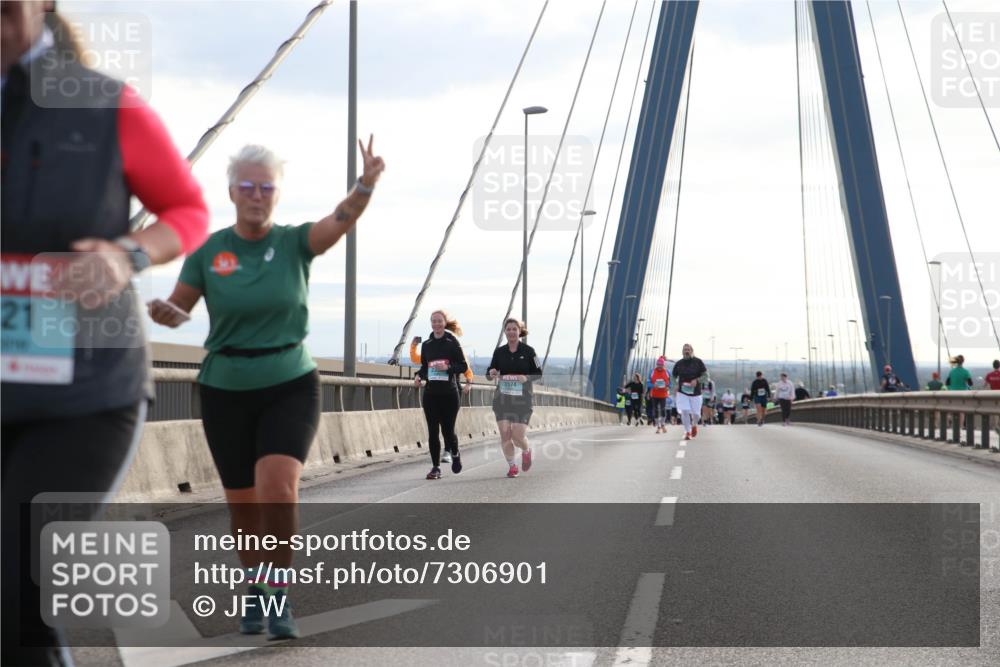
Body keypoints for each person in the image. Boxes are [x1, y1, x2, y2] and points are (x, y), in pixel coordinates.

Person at [2, 5, 210, 664]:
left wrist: (127, 253)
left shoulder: (103, 104)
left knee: (15, 592)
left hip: (83, 393)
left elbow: (187, 210)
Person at [151, 140, 384, 639]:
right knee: (243, 505)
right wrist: (165, 313)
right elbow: (178, 306)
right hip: (225, 388)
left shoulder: (296, 242)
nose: (257, 195)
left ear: (277, 194)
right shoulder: (209, 252)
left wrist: (365, 185)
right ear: (232, 192)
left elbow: (340, 220)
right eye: (248, 186)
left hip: (289, 382)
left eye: (266, 187)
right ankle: (256, 587)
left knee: (277, 487)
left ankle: (278, 591)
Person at [414, 310, 469, 479]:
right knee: (432, 431)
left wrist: (448, 368)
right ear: (431, 323)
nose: (436, 324)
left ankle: (455, 453)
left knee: (448, 431)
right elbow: (425, 367)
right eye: (434, 321)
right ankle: (436, 468)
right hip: (431, 394)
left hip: (449, 394)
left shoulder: (452, 342)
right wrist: (418, 376)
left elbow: (463, 366)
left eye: (439, 321)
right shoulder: (427, 344)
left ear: (445, 323)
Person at [486, 318, 542, 478]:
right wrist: (491, 373)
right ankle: (512, 466)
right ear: (505, 332)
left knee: (517, 436)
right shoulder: (499, 352)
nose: (511, 332)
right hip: (502, 399)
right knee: (505, 435)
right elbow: (489, 372)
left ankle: (526, 450)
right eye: (508, 329)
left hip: (522, 400)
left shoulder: (529, 351)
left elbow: (539, 373)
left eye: (514, 329)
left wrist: (526, 378)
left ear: (520, 331)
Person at [411, 333, 473, 463]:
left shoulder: (453, 348)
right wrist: (414, 346)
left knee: (447, 427)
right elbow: (420, 361)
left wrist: (468, 383)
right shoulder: (429, 347)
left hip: (451, 390)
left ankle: (449, 451)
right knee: (433, 429)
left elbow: (466, 369)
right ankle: (437, 465)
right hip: (433, 392)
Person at [672, 344, 709, 440]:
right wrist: (675, 384)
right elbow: (673, 376)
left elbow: (706, 376)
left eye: (688, 349)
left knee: (696, 414)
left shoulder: (698, 362)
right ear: (682, 352)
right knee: (685, 411)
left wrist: (697, 380)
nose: (686, 351)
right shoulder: (679, 363)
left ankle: (694, 425)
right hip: (682, 392)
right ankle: (688, 432)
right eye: (685, 350)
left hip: (696, 392)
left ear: (692, 351)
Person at [648, 356, 671, 433]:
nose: (659, 366)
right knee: (655, 410)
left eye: (661, 365)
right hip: (655, 394)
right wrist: (653, 385)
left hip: (663, 394)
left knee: (663, 409)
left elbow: (671, 382)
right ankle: (658, 426)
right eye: (658, 364)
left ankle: (663, 425)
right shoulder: (652, 371)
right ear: (656, 364)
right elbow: (648, 382)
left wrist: (668, 387)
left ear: (663, 365)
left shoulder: (667, 372)